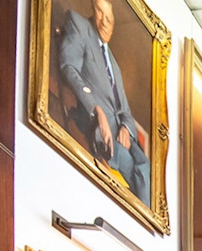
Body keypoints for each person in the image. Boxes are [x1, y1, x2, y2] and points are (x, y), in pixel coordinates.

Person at [59, 0, 151, 206]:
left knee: (146, 167)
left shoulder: (114, 65)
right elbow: (68, 67)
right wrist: (96, 109)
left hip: (122, 135)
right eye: (100, 12)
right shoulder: (79, 25)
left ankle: (147, 216)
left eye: (109, 18)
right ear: (93, 10)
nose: (104, 22)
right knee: (137, 181)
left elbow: (125, 111)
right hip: (99, 129)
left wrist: (126, 127)